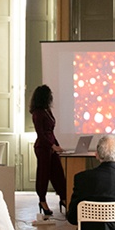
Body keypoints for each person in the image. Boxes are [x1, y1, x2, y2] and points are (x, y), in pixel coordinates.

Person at [30, 84, 67, 216]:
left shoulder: (47, 110)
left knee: (58, 173)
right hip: (43, 148)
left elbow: (51, 132)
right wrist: (52, 146)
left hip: (51, 146)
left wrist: (57, 146)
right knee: (43, 175)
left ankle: (63, 198)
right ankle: (42, 201)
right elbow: (41, 134)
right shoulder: (38, 113)